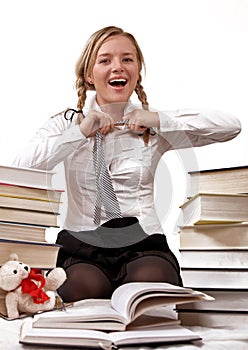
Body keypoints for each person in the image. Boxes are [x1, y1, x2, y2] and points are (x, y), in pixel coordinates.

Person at [13, 26, 241, 302]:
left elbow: (230, 127)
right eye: (105, 60)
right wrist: (78, 133)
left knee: (150, 286)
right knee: (83, 288)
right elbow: (20, 169)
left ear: (137, 71)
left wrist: (157, 119)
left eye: (127, 59)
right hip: (83, 245)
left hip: (143, 243)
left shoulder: (152, 125)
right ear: (88, 74)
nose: (117, 67)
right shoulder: (67, 123)